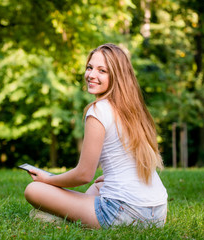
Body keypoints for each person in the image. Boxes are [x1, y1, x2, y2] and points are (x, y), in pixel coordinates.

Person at [24, 43, 168, 229]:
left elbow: (84, 175)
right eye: (90, 67)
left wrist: (48, 179)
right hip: (157, 214)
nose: (91, 75)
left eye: (102, 71)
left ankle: (65, 219)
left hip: (122, 212)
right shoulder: (134, 110)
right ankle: (75, 216)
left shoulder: (98, 110)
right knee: (100, 185)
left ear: (117, 76)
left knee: (34, 190)